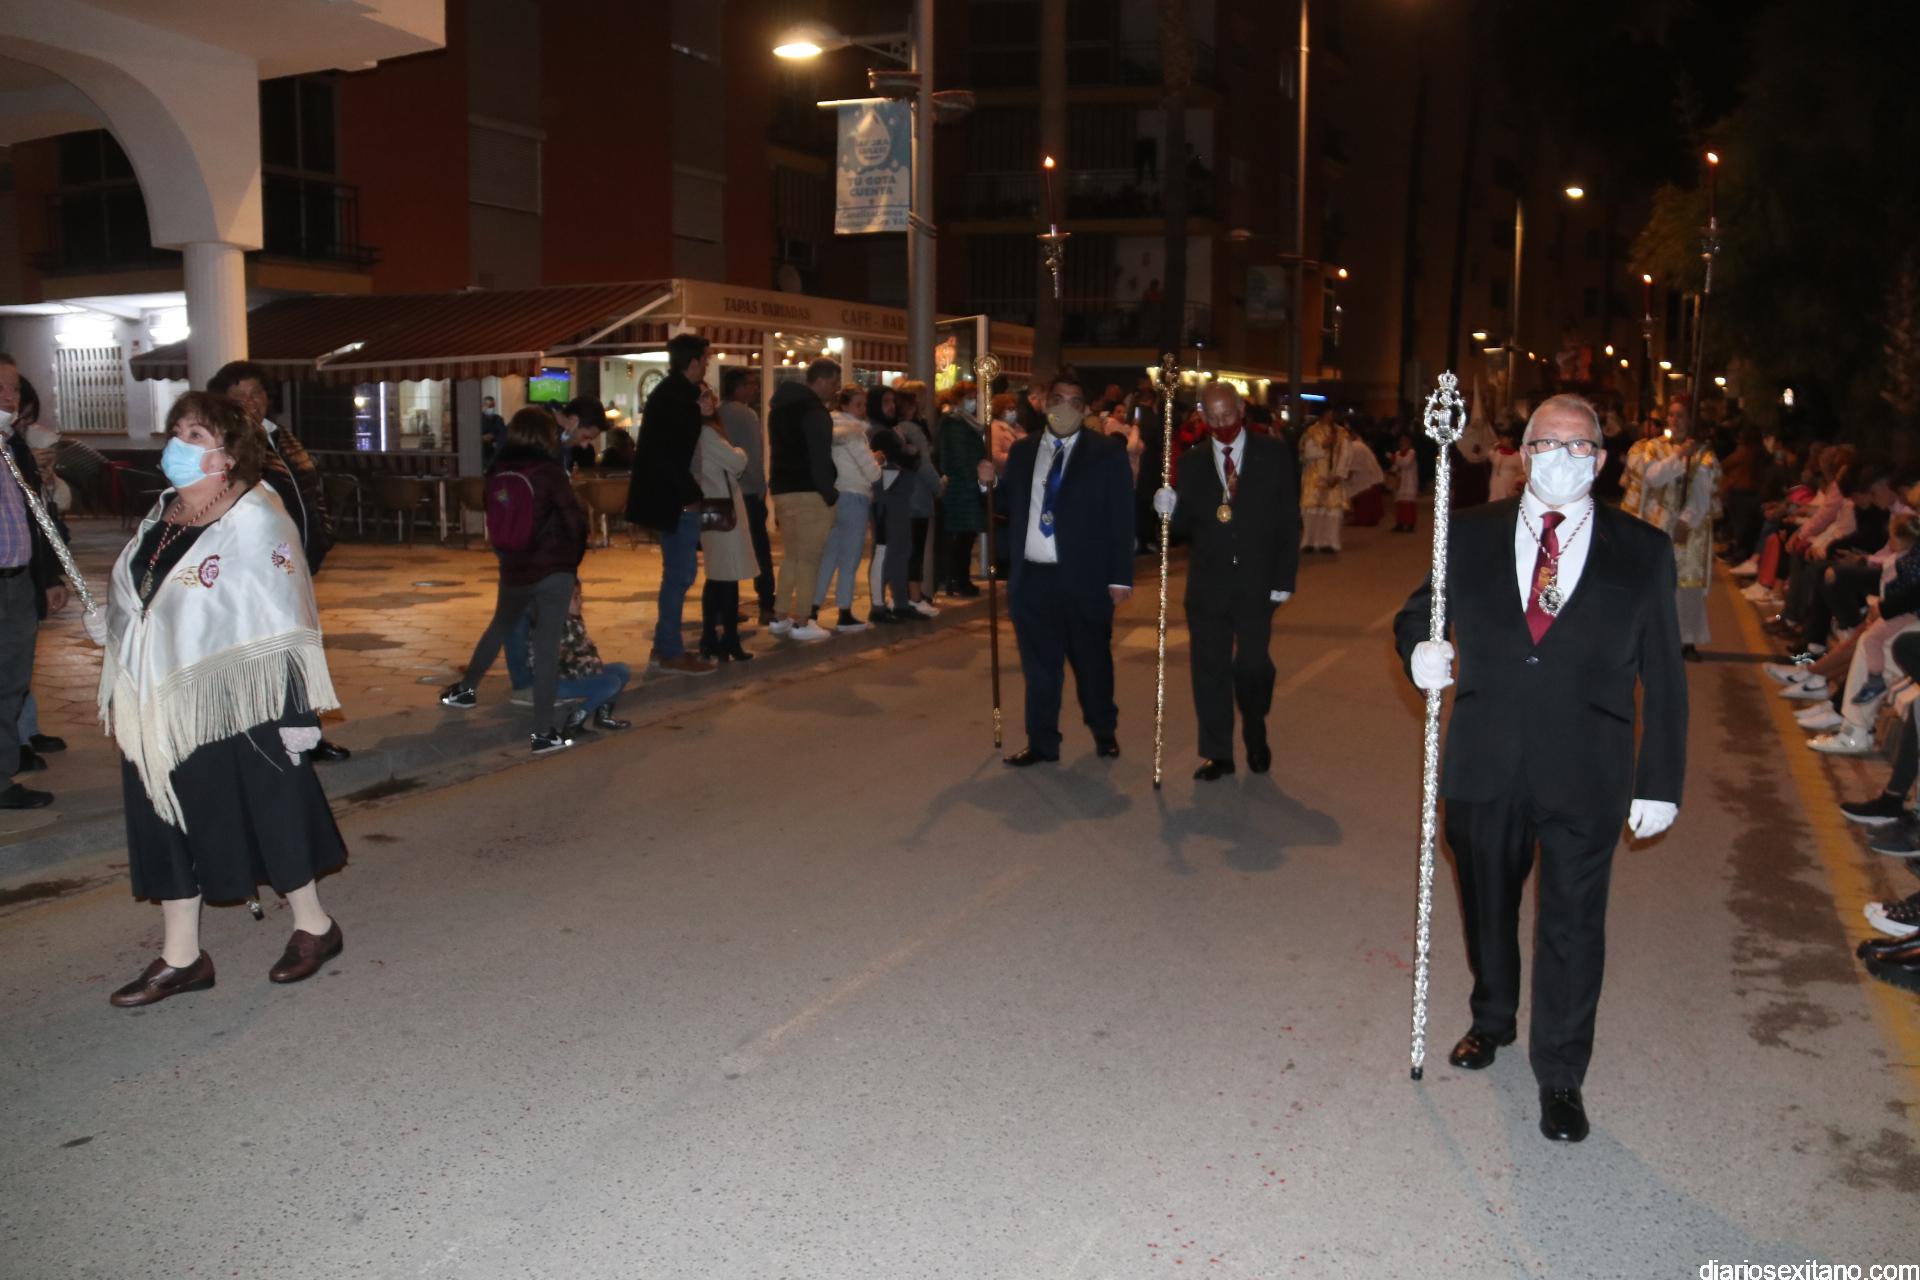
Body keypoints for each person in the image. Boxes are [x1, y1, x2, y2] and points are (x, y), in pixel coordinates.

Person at [1394, 393, 1687, 1144]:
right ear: (1524, 454)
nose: (1565, 457)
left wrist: (1660, 781)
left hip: (1588, 766)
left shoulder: (1643, 549)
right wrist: (1420, 650)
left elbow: (1665, 672)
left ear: (1603, 458)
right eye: (1549, 444)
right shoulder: (1467, 532)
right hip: (1485, 757)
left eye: (1581, 445)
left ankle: (1560, 1073)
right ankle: (1492, 1017)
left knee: (1573, 925)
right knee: (1487, 902)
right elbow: (1420, 611)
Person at [102, 391, 347, 1006]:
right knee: (165, 815)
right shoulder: (164, 511)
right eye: (177, 431)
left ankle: (315, 925)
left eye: (196, 435)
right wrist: (117, 623)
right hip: (162, 695)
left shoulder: (258, 517)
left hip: (242, 696)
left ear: (229, 454)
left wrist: (296, 712)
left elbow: (286, 615)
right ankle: (183, 957)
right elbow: (148, 592)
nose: (178, 445)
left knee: (270, 809)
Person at [978, 368, 1135, 766]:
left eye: (1075, 403)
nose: (1065, 408)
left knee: (1092, 664)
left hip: (1085, 578)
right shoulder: (1024, 451)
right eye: (1058, 400)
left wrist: (1120, 576)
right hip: (1033, 578)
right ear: (1045, 404)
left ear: (1085, 410)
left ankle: (1104, 729)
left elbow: (1121, 517)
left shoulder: (1106, 453)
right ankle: (1042, 742)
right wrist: (988, 484)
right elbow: (1007, 505)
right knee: (1040, 669)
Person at [1152, 383, 1300, 780]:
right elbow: (1184, 527)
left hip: (1258, 580)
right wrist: (1168, 509)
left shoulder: (1272, 453)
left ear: (1241, 410)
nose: (1222, 424)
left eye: (1228, 415)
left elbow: (1288, 518)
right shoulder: (1193, 461)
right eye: (1213, 417)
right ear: (1203, 416)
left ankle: (1254, 725)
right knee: (1209, 667)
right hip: (1208, 583)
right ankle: (1218, 752)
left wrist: (1284, 577)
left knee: (1252, 665)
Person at [208, 360, 349, 763]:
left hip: (296, 566)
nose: (250, 402)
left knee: (300, 651)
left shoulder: (280, 437)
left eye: (256, 392)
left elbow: (310, 490)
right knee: (271, 656)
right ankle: (274, 736)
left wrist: (321, 537)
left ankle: (303, 733)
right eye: (239, 396)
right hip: (258, 574)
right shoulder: (228, 448)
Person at [440, 407, 590, 755]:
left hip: (514, 567)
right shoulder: (550, 472)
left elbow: (495, 517)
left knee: (500, 626)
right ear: (546, 435)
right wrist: (571, 562)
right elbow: (573, 519)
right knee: (547, 647)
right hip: (553, 568)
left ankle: (465, 690)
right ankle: (542, 734)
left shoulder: (497, 470)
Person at [626, 333, 716, 675]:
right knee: (679, 575)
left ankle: (666, 646)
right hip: (675, 498)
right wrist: (690, 495)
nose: (707, 365)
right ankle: (669, 651)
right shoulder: (679, 398)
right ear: (693, 362)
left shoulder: (670, 394)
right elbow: (673, 454)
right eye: (705, 359)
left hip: (669, 495)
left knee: (678, 574)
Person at [0, 354, 67, 810]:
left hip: (19, 581)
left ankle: (2, 777)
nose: (10, 398)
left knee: (11, 684)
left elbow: (36, 517)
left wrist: (48, 576)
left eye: (15, 389)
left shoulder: (13, 448)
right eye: (0, 389)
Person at [767, 359, 841, 642]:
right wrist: (829, 493)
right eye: (834, 382)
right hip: (810, 492)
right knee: (809, 559)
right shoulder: (815, 411)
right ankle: (802, 620)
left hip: (783, 489)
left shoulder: (779, 409)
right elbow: (819, 456)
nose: (835, 389)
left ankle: (780, 615)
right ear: (820, 380)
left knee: (792, 556)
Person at [1638, 403, 1720, 660]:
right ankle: (1654, 636)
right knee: (1658, 581)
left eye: (1681, 415)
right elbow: (1652, 477)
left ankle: (1687, 639)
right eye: (1671, 415)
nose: (1675, 420)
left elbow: (1703, 491)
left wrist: (1686, 521)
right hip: (1659, 521)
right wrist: (1679, 456)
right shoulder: (1654, 447)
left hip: (1690, 526)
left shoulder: (1704, 453)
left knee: (1687, 585)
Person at [696, 383, 757, 662]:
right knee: (726, 578)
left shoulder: (700, 431)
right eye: (701, 398)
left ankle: (712, 637)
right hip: (723, 513)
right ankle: (727, 639)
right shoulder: (707, 433)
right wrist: (740, 451)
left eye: (709, 396)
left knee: (718, 578)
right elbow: (736, 462)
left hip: (713, 509)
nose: (708, 401)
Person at [814, 385, 882, 630]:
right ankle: (844, 612)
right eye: (858, 404)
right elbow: (872, 472)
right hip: (855, 495)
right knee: (850, 559)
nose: (862, 410)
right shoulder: (853, 432)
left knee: (829, 555)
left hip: (835, 495)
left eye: (864, 404)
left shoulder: (828, 428)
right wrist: (878, 460)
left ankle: (812, 609)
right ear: (845, 405)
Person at [719, 368, 775, 624]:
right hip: (748, 491)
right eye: (751, 384)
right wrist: (761, 487)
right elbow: (753, 455)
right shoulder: (746, 414)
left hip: (722, 490)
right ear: (738, 387)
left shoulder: (717, 414)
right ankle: (767, 605)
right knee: (760, 549)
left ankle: (725, 606)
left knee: (726, 550)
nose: (755, 389)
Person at [541, 583, 631, 735]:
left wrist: (592, 663)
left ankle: (603, 717)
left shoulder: (573, 621)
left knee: (622, 670)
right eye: (575, 598)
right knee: (611, 682)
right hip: (557, 682)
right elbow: (564, 664)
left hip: (577, 673)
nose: (581, 601)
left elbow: (588, 650)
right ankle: (573, 723)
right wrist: (591, 666)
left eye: (580, 596)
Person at [891, 379, 941, 616]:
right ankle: (914, 597)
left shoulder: (895, 429)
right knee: (914, 549)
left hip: (901, 496)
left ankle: (902, 595)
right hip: (916, 496)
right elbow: (924, 464)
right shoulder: (912, 429)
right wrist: (939, 485)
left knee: (903, 549)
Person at [938, 384, 989, 598]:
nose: (973, 401)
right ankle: (958, 579)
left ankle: (959, 578)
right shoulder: (955, 423)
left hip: (966, 485)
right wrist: (972, 480)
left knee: (966, 536)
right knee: (961, 537)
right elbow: (958, 457)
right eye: (969, 397)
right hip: (961, 487)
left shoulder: (967, 422)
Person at [1298, 409, 1349, 552]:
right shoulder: (1312, 431)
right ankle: (1310, 542)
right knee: (1312, 510)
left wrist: (1338, 474)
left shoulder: (1341, 432)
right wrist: (1324, 446)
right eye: (1328, 413)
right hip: (1314, 476)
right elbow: (1307, 453)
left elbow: (1346, 455)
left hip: (1333, 476)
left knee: (1332, 511)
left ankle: (1330, 543)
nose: (1331, 416)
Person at [556, 397, 607, 471]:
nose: (584, 446)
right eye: (585, 437)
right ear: (573, 421)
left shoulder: (565, 443)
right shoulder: (541, 441)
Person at [1390, 434, 1420, 533]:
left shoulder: (1412, 452)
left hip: (1409, 480)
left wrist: (1394, 459)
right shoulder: (1398, 453)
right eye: (1402, 440)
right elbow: (1395, 466)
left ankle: (1410, 524)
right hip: (1400, 481)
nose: (1403, 442)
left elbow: (1406, 463)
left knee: (1408, 503)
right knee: (1399, 503)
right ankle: (1400, 523)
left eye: (1405, 440)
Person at [479, 395, 508, 466]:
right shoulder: (478, 419)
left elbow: (503, 433)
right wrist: (482, 438)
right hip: (482, 450)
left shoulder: (498, 419)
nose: (490, 408)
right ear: (483, 406)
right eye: (487, 405)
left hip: (495, 450)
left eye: (491, 405)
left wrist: (493, 436)